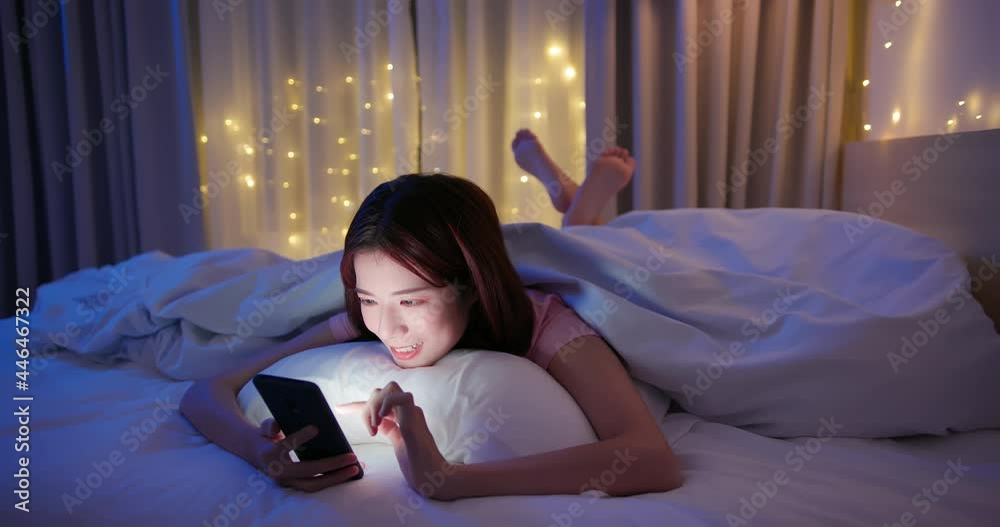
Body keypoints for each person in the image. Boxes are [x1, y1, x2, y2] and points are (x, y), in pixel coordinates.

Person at [179, 131, 679, 500]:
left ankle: (579, 203)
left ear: (470, 286)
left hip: (592, 269)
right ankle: (573, 203)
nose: (387, 329)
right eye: (369, 299)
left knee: (589, 247)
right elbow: (205, 392)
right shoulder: (364, 316)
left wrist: (452, 480)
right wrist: (256, 450)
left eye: (412, 301)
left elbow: (652, 459)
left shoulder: (548, 326)